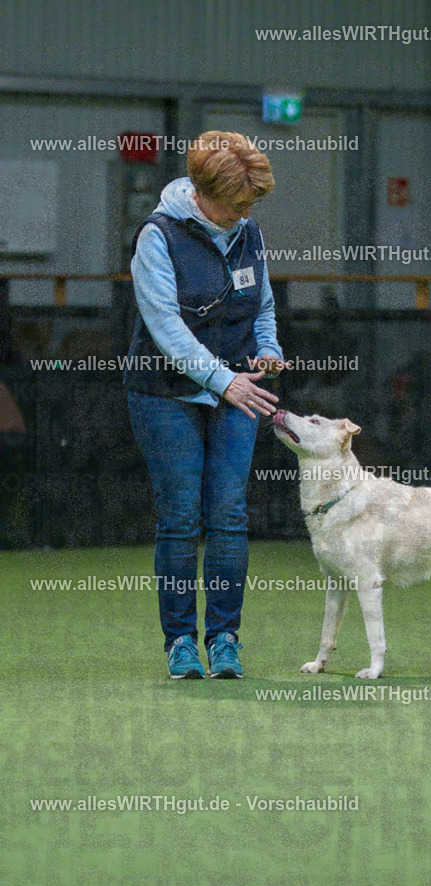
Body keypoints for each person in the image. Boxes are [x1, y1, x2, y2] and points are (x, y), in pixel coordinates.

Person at [124, 130, 286, 680]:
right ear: (201, 190)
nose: (245, 212)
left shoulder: (249, 231)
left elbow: (262, 303)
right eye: (237, 203)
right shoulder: (157, 236)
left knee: (229, 515)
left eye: (252, 204)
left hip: (236, 389)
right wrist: (225, 382)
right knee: (180, 516)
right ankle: (180, 643)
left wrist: (268, 348)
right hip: (165, 394)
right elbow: (165, 328)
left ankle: (224, 639)